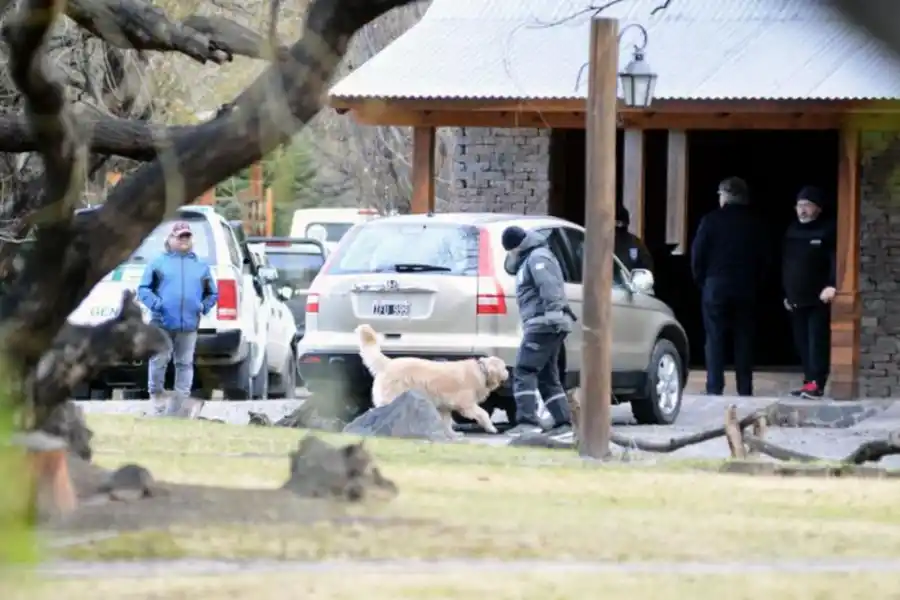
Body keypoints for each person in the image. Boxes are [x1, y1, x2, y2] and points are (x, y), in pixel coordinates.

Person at [690, 177, 770, 396]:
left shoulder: (711, 220)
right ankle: (744, 387)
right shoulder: (755, 222)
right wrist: (757, 282)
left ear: (725, 195)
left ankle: (715, 387)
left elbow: (698, 255)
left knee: (714, 337)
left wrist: (702, 281)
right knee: (744, 338)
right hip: (746, 286)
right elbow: (765, 258)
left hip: (716, 285)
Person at [500, 226, 576, 437]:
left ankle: (527, 421)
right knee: (547, 376)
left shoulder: (537, 258)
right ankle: (563, 424)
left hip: (543, 324)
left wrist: (552, 318)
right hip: (545, 324)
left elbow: (549, 287)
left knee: (524, 370)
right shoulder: (530, 257)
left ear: (514, 247)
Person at [138, 222, 218, 417]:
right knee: (159, 359)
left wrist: (202, 306)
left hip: (189, 325)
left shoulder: (200, 267)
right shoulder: (158, 264)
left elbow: (212, 293)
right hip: (161, 323)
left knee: (184, 363)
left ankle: (178, 408)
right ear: (170, 240)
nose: (184, 240)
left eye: (187, 237)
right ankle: (157, 397)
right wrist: (157, 305)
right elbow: (143, 289)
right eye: (180, 236)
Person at [782, 186, 836, 399]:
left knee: (817, 342)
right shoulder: (791, 231)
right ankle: (808, 381)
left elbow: (836, 261)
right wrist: (786, 293)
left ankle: (817, 384)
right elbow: (786, 265)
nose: (803, 210)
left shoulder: (828, 230)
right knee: (802, 343)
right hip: (796, 297)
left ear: (818, 209)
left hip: (819, 298)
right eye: (800, 206)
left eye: (808, 206)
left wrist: (831, 284)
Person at [614, 205, 654, 273]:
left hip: (628, 282)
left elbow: (646, 270)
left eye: (620, 223)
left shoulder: (635, 244)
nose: (619, 225)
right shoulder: (599, 244)